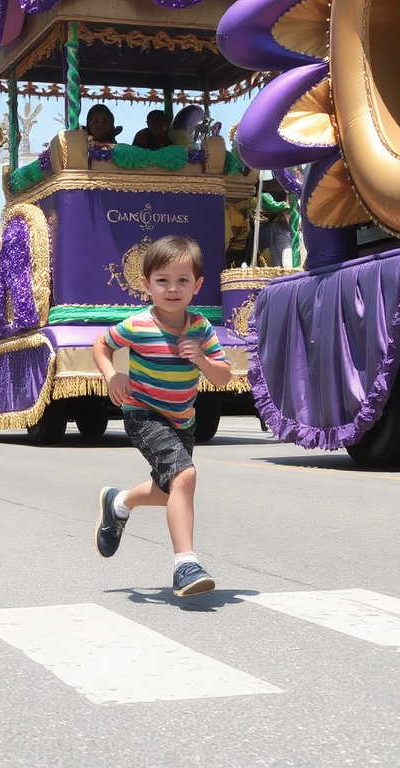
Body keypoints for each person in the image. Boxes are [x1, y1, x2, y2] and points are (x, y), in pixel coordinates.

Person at [91, 235, 231, 598]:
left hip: (182, 419)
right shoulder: (137, 325)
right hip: (143, 413)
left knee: (171, 488)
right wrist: (112, 375)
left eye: (183, 280)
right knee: (184, 475)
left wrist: (201, 359)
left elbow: (222, 375)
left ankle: (119, 503)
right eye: (162, 280)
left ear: (197, 285)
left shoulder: (201, 328)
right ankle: (185, 564)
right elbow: (101, 344)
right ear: (146, 285)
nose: (172, 289)